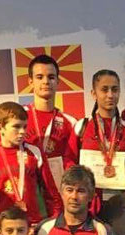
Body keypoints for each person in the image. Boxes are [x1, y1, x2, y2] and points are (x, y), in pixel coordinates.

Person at [0, 101, 62, 226]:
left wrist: (56, 220)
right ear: (0, 128)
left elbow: (51, 191)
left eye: (24, 126)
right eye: (16, 127)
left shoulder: (34, 152)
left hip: (33, 224)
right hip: (3, 226)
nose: (22, 131)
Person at [66, 69, 125, 214]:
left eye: (115, 90)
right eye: (104, 90)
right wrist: (81, 187)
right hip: (90, 203)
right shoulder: (82, 126)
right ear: (94, 94)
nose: (110, 95)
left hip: (122, 202)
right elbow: (69, 161)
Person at [22, 54, 78, 185]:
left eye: (51, 77)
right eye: (39, 77)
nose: (46, 81)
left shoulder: (71, 123)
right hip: (27, 189)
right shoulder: (17, 117)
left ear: (58, 81)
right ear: (30, 81)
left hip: (59, 190)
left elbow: (74, 163)